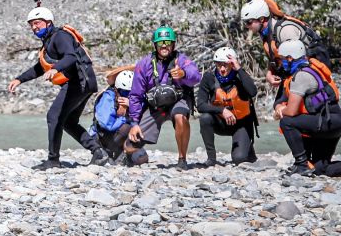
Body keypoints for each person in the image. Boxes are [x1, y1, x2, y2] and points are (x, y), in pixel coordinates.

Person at [8, 5, 108, 169]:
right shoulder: (49, 41)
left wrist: (55, 69)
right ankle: (98, 152)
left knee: (53, 116)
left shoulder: (60, 36)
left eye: (37, 23)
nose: (34, 27)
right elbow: (40, 68)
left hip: (79, 83)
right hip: (85, 83)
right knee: (68, 121)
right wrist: (19, 80)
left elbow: (71, 56)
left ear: (48, 22)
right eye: (31, 24)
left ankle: (53, 160)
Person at [126, 26, 202, 169]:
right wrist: (134, 123)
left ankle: (182, 159)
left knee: (180, 117)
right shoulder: (144, 64)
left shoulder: (182, 60)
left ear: (173, 44)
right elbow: (135, 95)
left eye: (168, 42)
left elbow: (196, 76)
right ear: (155, 45)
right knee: (130, 145)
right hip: (156, 106)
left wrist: (183, 74)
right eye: (161, 43)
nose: (165, 46)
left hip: (178, 100)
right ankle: (131, 155)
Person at [274, 40, 341, 176]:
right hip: (331, 122)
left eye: (281, 59)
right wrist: (280, 104)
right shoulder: (309, 67)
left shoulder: (301, 76)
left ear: (290, 58)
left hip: (327, 122)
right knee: (320, 169)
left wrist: (280, 111)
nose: (280, 62)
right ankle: (307, 165)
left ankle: (301, 164)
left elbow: (291, 111)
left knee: (287, 122)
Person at [240, 0, 332, 92]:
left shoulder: (285, 31)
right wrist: (269, 73)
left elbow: (298, 62)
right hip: (292, 74)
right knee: (278, 105)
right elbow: (275, 56)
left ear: (262, 19)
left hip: (308, 76)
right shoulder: (266, 33)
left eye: (249, 22)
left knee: (282, 106)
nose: (247, 26)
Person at [196, 47, 258, 166]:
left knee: (239, 159)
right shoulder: (209, 78)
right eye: (219, 65)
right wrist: (222, 110)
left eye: (226, 65)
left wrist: (238, 68)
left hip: (240, 124)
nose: (222, 69)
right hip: (221, 123)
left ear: (232, 64)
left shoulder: (239, 77)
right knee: (205, 118)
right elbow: (200, 105)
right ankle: (211, 158)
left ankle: (248, 150)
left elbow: (253, 92)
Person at [90, 68, 147, 164]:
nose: (127, 95)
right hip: (102, 136)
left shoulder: (133, 98)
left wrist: (131, 106)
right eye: (124, 92)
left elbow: (145, 111)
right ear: (116, 89)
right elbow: (107, 124)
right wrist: (125, 118)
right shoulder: (108, 97)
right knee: (127, 127)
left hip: (119, 136)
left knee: (142, 158)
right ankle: (107, 151)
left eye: (130, 92)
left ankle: (122, 153)